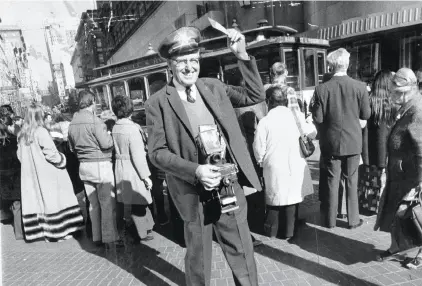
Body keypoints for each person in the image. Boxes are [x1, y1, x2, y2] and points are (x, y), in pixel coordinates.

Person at [145, 26, 264, 285]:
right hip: (192, 191)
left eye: (194, 60)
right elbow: (156, 153)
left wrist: (242, 55)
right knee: (198, 260)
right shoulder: (157, 103)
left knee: (242, 253)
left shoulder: (214, 87)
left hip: (226, 185)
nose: (189, 67)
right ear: (170, 65)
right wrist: (195, 171)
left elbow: (255, 95)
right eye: (182, 61)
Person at [311, 48, 371, 229]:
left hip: (331, 142)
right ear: (348, 64)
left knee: (331, 180)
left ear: (330, 65)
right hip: (353, 141)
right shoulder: (360, 87)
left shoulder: (322, 88)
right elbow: (366, 114)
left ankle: (330, 220)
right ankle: (353, 220)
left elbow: (319, 118)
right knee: (352, 180)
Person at [374, 68, 422, 268]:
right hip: (401, 175)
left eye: (395, 91)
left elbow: (421, 151)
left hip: (412, 178)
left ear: (407, 90)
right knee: (396, 214)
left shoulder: (417, 111)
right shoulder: (408, 106)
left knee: (414, 215)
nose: (392, 95)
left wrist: (417, 184)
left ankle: (419, 253)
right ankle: (396, 247)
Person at [254, 85, 315, 240]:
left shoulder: (265, 122)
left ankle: (272, 231)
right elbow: (312, 132)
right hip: (295, 162)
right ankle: (289, 231)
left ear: (268, 101)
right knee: (292, 198)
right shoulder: (297, 117)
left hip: (273, 165)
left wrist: (261, 162)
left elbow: (258, 148)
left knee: (275, 199)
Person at [17, 102, 84, 242]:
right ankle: (59, 232)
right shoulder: (41, 132)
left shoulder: (22, 135)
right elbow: (51, 154)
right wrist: (62, 160)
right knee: (55, 202)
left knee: (41, 203)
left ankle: (45, 232)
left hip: (32, 176)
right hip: (49, 174)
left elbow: (20, 156)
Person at [68, 90, 122, 248]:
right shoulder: (95, 121)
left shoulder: (73, 123)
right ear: (91, 102)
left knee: (93, 204)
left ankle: (97, 237)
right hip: (100, 165)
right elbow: (106, 144)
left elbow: (71, 148)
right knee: (107, 204)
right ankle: (110, 238)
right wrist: (111, 135)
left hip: (84, 166)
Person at [111, 96, 154, 242]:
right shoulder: (132, 129)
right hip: (134, 169)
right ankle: (141, 232)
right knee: (139, 200)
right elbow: (138, 156)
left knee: (132, 200)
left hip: (121, 167)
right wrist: (146, 177)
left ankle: (144, 228)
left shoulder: (115, 127)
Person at [360, 70, 396, 214]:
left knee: (371, 176)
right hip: (386, 146)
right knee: (384, 176)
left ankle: (369, 203)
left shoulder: (369, 100)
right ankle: (382, 204)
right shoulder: (391, 103)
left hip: (369, 145)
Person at [0, 105, 22, 239]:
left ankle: (6, 216)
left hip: (2, 170)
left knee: (5, 196)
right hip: (15, 168)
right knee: (17, 200)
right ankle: (20, 231)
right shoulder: (15, 132)